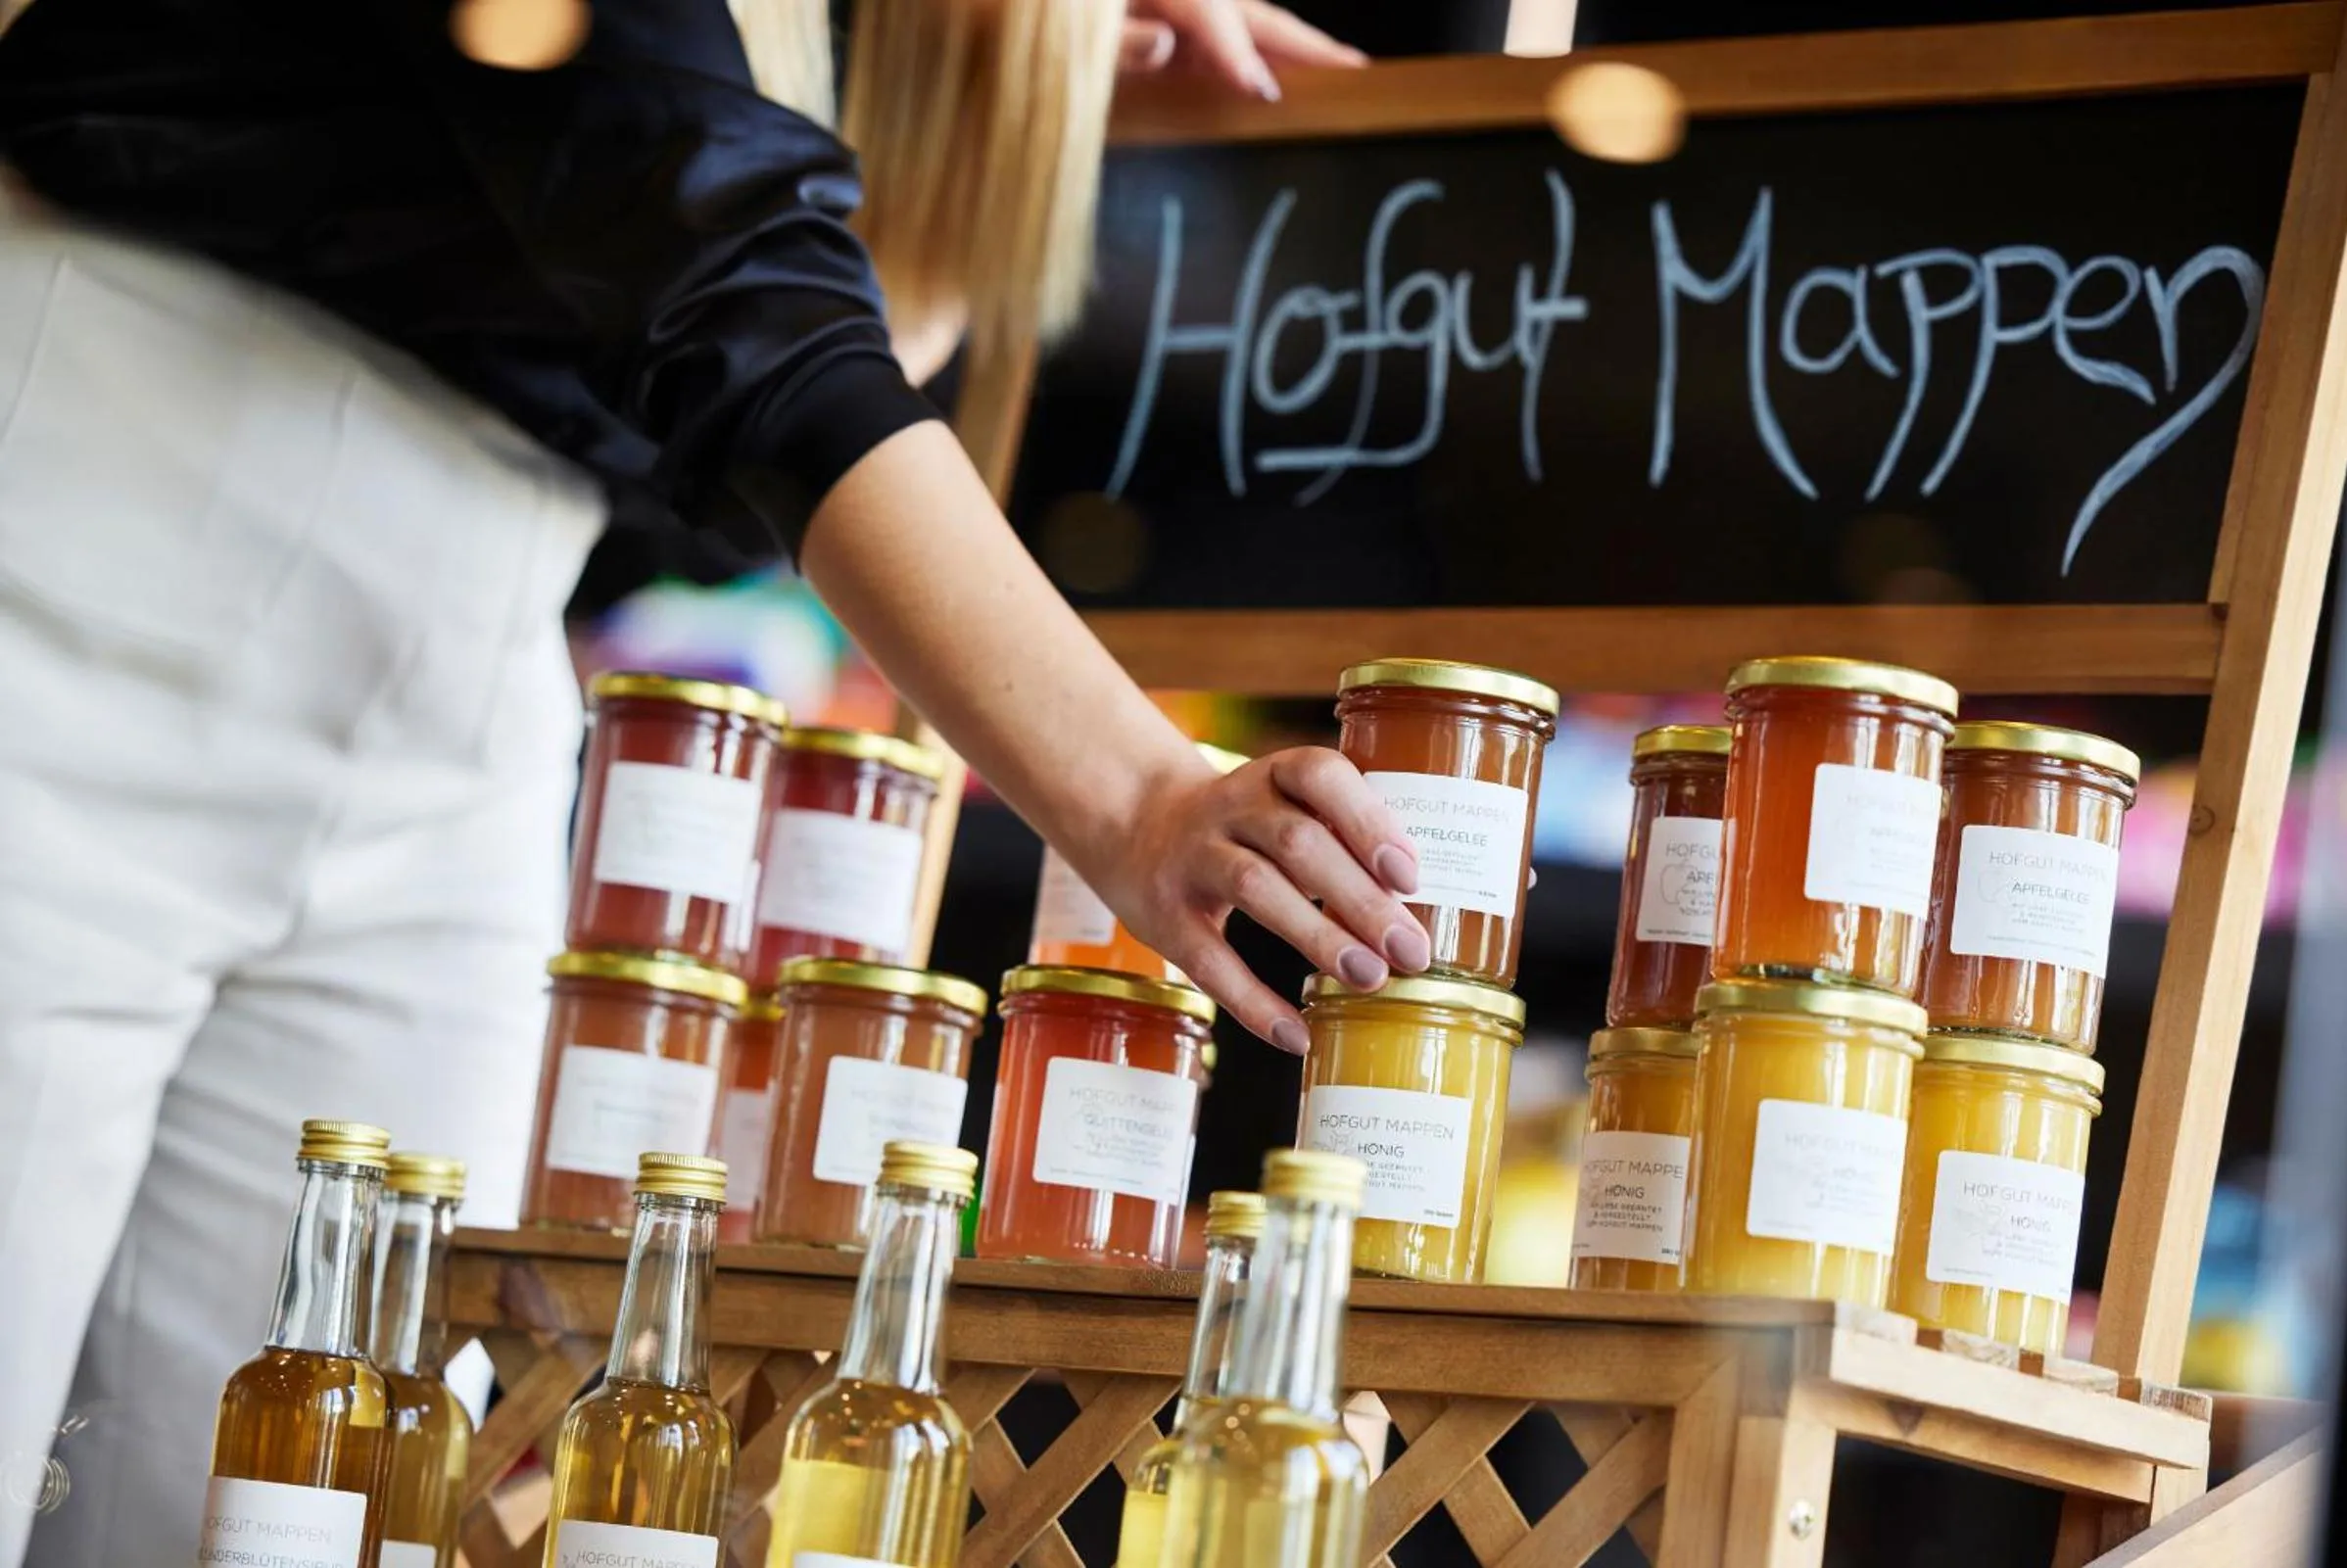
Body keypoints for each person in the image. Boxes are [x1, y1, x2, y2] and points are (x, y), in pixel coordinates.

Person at [0, 3, 1386, 1564]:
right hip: (80, 578)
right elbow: (758, 335)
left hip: (453, 695)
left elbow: (734, 451)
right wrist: (1135, 792)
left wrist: (1027, 93)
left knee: (311, 1487)